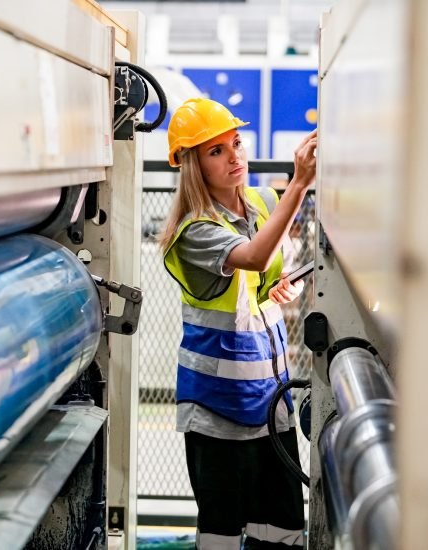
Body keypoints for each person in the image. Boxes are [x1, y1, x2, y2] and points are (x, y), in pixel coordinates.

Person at [158, 97, 317, 550]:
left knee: (283, 531)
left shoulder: (263, 202)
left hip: (271, 403)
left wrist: (279, 286)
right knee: (222, 537)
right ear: (193, 166)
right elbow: (252, 256)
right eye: (216, 151)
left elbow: (261, 276)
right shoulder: (194, 231)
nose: (235, 156)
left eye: (236, 142)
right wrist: (300, 183)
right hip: (219, 413)